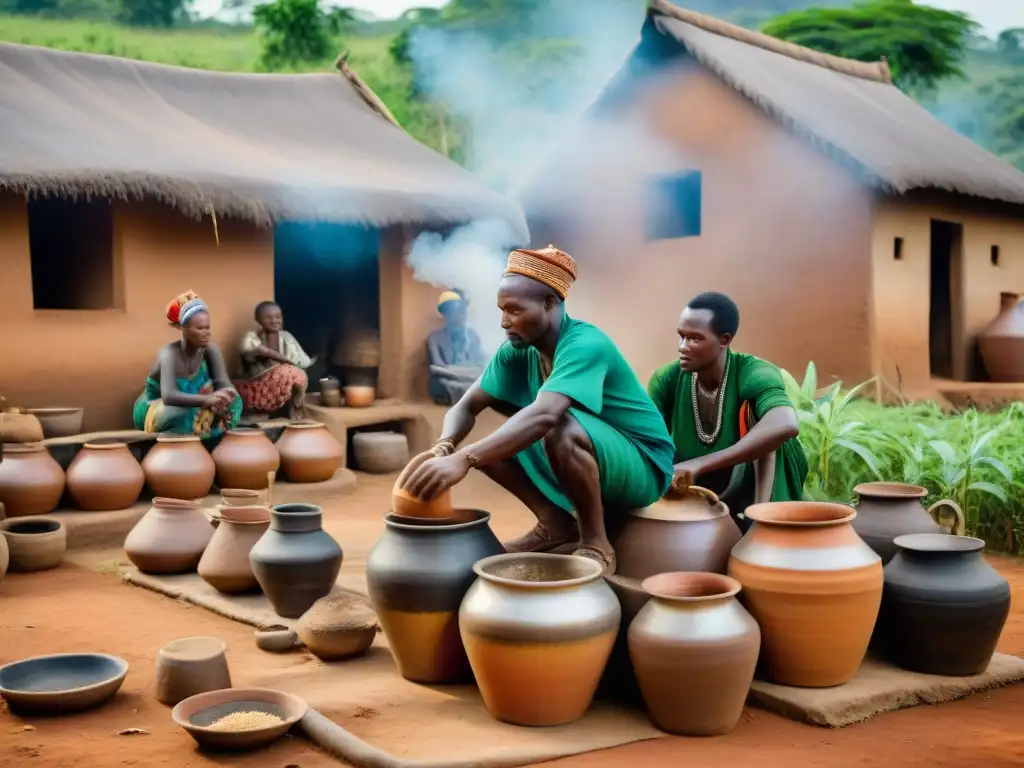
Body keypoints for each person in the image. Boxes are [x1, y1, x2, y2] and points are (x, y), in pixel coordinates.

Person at [399, 245, 676, 573]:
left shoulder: (585, 345)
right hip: (593, 451)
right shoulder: (518, 349)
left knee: (555, 425)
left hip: (643, 464)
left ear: (550, 303)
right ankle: (554, 523)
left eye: (514, 310)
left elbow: (546, 415)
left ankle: (595, 542)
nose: (504, 322)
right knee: (494, 441)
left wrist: (465, 458)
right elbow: (465, 406)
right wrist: (444, 447)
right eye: (502, 310)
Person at [646, 292, 807, 528]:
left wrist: (700, 464)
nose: (682, 347)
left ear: (724, 340)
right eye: (681, 337)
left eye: (695, 339)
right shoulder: (668, 379)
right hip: (692, 482)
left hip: (749, 479)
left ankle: (761, 522)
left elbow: (785, 423)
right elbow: (648, 438)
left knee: (761, 420)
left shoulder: (752, 372)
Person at [133, 290, 243, 438]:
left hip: (195, 405)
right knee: (187, 412)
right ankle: (180, 446)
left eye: (207, 327)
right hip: (156, 408)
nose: (206, 333)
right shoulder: (169, 354)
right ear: (182, 328)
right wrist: (207, 399)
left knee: (235, 401)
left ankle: (214, 441)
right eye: (199, 328)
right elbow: (169, 396)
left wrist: (226, 397)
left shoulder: (210, 350)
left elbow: (223, 383)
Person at [234, 301, 315, 419]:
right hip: (258, 385)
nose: (274, 321)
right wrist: (285, 361)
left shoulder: (286, 337)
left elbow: (303, 362)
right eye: (268, 317)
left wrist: (294, 366)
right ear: (258, 319)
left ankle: (293, 405)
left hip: (282, 387)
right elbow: (256, 352)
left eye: (278, 317)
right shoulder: (251, 337)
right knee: (286, 370)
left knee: (293, 372)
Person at [426, 290, 488, 405]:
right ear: (446, 314)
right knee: (444, 383)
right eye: (456, 310)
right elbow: (437, 368)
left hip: (469, 377)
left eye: (462, 310)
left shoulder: (472, 335)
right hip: (448, 380)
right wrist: (466, 373)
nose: (461, 315)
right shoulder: (434, 338)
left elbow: (482, 363)